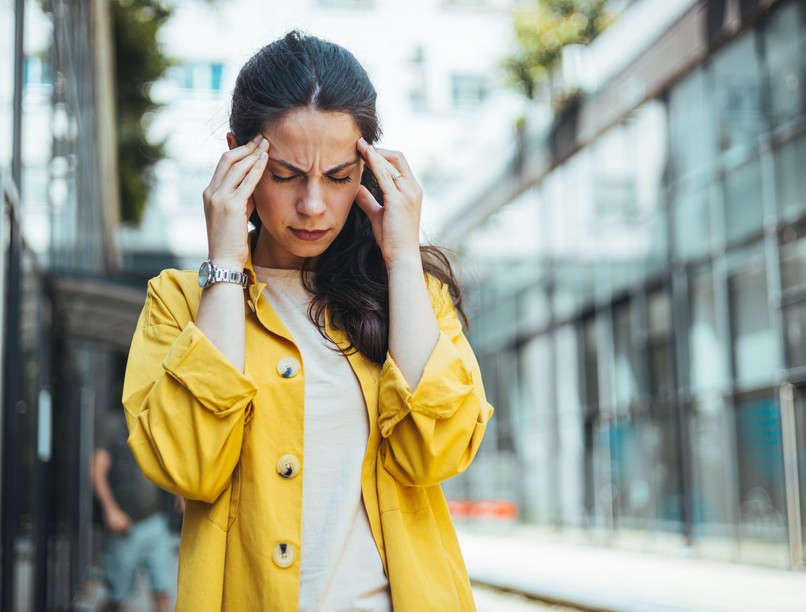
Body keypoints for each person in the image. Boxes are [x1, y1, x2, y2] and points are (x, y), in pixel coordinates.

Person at [122, 30, 493, 611]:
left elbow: (437, 453)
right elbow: (189, 467)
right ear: (238, 159)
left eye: (340, 177)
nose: (313, 206)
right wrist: (225, 265)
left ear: (368, 167)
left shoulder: (413, 299)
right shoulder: (179, 304)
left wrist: (399, 262)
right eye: (287, 175)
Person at [91, 407, 177, 611]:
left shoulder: (156, 424)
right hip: (125, 527)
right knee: (117, 596)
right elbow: (97, 471)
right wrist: (111, 510)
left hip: (156, 521)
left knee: (162, 590)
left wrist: (180, 494)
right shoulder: (113, 426)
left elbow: (170, 463)